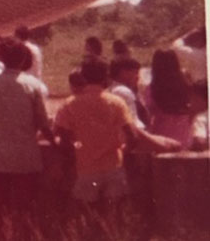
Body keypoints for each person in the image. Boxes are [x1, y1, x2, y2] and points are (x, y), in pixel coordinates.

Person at [55, 57, 181, 215]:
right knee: (113, 214)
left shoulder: (69, 104)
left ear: (83, 77)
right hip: (114, 166)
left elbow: (64, 139)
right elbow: (132, 137)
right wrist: (122, 150)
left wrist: (78, 149)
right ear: (105, 76)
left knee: (85, 214)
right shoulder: (116, 102)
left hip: (85, 168)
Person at [0, 38, 54, 238]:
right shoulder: (32, 85)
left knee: (0, 206)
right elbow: (42, 122)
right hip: (25, 154)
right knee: (24, 205)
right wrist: (54, 141)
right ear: (23, 59)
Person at [144, 49, 193, 148]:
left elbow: (149, 110)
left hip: (162, 133)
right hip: (184, 130)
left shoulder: (152, 88)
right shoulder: (186, 84)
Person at [108, 58, 149, 129]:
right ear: (124, 73)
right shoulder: (123, 92)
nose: (138, 77)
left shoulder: (113, 89)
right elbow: (134, 124)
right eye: (135, 73)